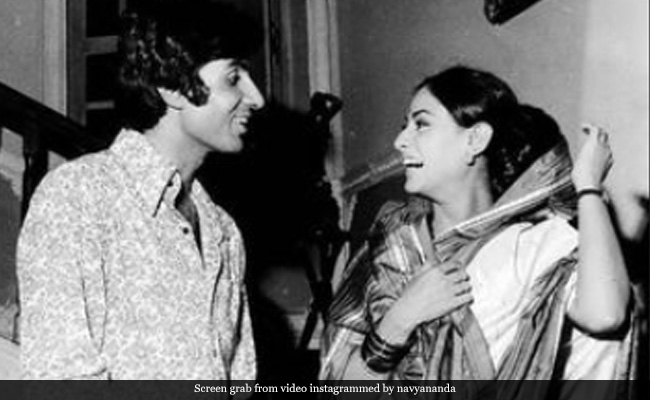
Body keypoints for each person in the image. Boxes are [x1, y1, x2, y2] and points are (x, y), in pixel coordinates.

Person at [320, 67, 636, 393]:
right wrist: (400, 320)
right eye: (405, 127)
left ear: (475, 139)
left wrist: (588, 187)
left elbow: (605, 316)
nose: (400, 141)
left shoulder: (530, 245)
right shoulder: (392, 244)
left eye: (421, 124)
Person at [17, 0, 264, 380]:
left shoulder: (224, 231)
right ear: (172, 87)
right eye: (234, 78)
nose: (257, 98)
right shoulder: (77, 198)